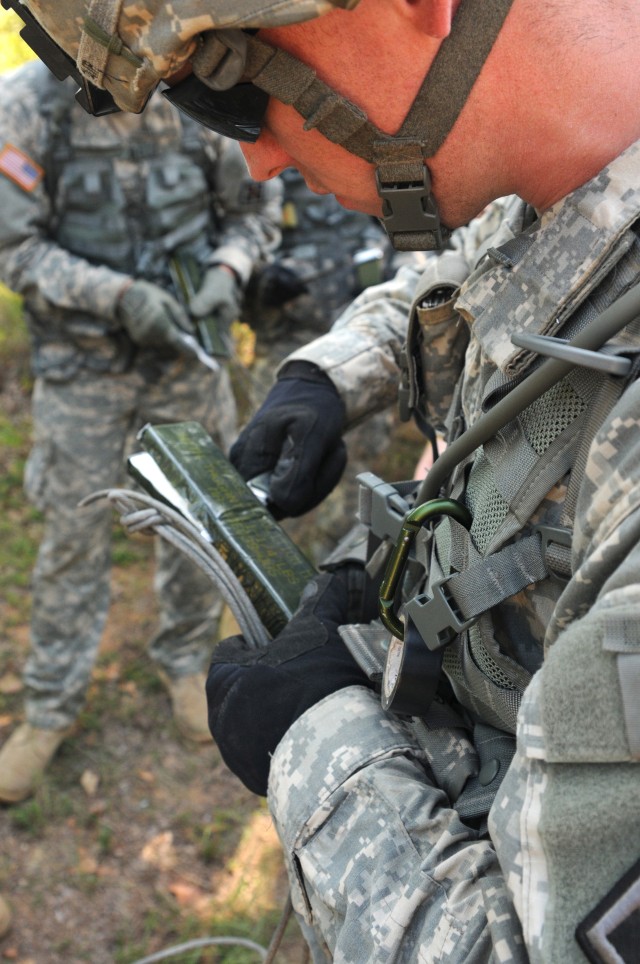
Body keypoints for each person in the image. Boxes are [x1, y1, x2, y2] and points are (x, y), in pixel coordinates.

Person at [15, 1, 640, 962]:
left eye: (232, 89)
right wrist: (328, 373)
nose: (256, 157)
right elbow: (506, 259)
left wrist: (318, 740)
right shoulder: (568, 175)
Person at [0, 57, 282, 803]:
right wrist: (118, 297)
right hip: (83, 372)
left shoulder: (199, 95)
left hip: (187, 364)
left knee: (194, 526)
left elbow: (253, 211)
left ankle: (186, 663)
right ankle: (50, 707)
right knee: (73, 537)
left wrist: (227, 268)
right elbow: (15, 248)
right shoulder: (27, 107)